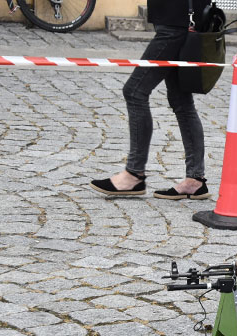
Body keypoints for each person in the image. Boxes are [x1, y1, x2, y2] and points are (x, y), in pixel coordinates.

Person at [90, 0, 212, 200]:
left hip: (176, 22)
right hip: (179, 20)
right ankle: (195, 180)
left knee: (135, 91)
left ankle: (133, 174)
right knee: (181, 101)